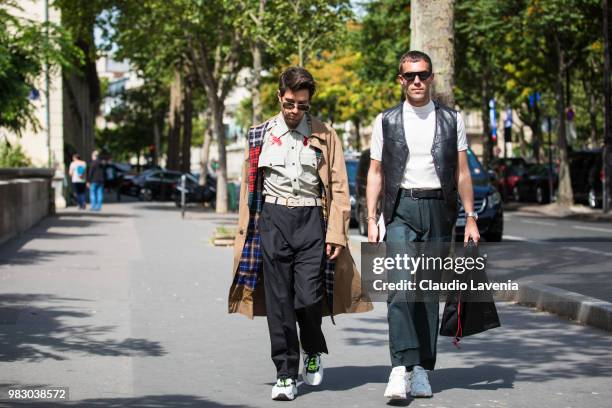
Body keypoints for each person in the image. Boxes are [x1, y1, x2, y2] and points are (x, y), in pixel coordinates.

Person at [228, 67, 372, 401]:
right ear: (279, 96)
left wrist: (337, 233)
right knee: (279, 302)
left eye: (302, 106)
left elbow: (338, 186)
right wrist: (248, 230)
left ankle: (312, 349)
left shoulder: (325, 134)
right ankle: (285, 373)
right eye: (290, 103)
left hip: (312, 220)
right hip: (273, 219)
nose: (295, 111)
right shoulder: (258, 134)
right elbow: (249, 189)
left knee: (308, 297)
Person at [365, 50, 480, 401]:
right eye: (410, 75)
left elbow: (462, 172)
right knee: (400, 288)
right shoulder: (385, 121)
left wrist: (471, 216)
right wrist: (372, 218)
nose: (417, 81)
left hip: (437, 210)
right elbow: (376, 172)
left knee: (427, 293)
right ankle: (400, 367)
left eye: (424, 74)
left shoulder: (451, 120)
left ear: (432, 78)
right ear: (400, 80)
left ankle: (422, 371)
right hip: (400, 209)